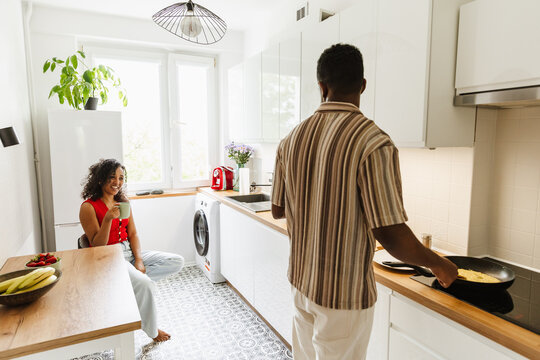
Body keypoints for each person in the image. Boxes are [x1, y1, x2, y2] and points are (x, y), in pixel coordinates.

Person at [271, 44, 458, 360]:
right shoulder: (373, 141)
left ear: (321, 86)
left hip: (301, 284)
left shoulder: (291, 139)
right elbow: (392, 236)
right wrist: (439, 263)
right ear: (362, 85)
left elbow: (277, 209)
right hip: (343, 295)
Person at [79, 158, 184, 342]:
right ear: (100, 179)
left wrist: (139, 260)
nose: (117, 183)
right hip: (109, 257)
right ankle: (151, 330)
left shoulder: (123, 201)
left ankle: (129, 287)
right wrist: (107, 220)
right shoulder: (88, 207)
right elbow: (96, 246)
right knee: (146, 285)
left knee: (176, 261)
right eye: (112, 177)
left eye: (121, 178)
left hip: (127, 252)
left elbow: (133, 233)